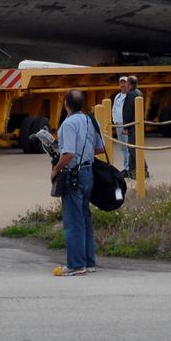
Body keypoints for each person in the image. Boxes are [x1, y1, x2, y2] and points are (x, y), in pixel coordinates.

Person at [51, 89, 105, 276]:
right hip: (88, 173)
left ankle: (75, 265)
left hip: (73, 174)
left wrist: (55, 170)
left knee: (73, 221)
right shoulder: (92, 120)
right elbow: (99, 148)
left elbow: (68, 154)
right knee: (84, 218)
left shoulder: (68, 124)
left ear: (66, 104)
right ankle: (89, 262)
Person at [121, 75, 145, 178]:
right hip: (138, 123)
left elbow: (128, 111)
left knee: (133, 149)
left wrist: (125, 126)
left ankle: (144, 169)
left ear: (129, 84)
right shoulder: (139, 93)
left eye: (126, 82)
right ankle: (132, 171)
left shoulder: (130, 95)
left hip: (133, 125)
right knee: (133, 148)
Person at [111, 76, 130, 173]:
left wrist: (126, 124)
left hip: (125, 124)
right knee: (123, 147)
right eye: (121, 83)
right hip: (118, 124)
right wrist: (114, 120)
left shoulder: (130, 96)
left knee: (127, 146)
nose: (122, 85)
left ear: (128, 84)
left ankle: (128, 168)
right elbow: (114, 108)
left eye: (124, 82)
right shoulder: (117, 96)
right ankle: (127, 166)